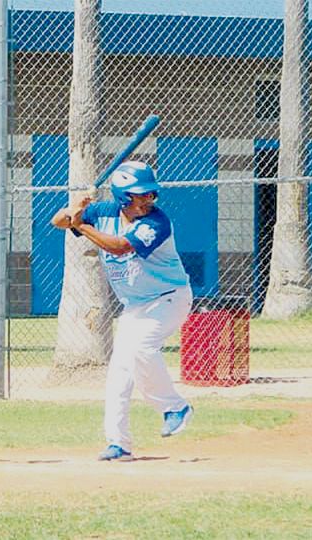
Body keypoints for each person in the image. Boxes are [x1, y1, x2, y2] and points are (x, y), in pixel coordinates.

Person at [51, 161, 194, 462]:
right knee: (120, 374)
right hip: (136, 306)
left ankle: (174, 407)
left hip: (169, 298)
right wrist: (74, 210)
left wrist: (81, 224)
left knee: (142, 348)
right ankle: (119, 444)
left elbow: (118, 247)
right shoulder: (102, 212)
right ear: (122, 196)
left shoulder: (157, 222)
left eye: (150, 194)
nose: (147, 200)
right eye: (139, 195)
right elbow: (57, 221)